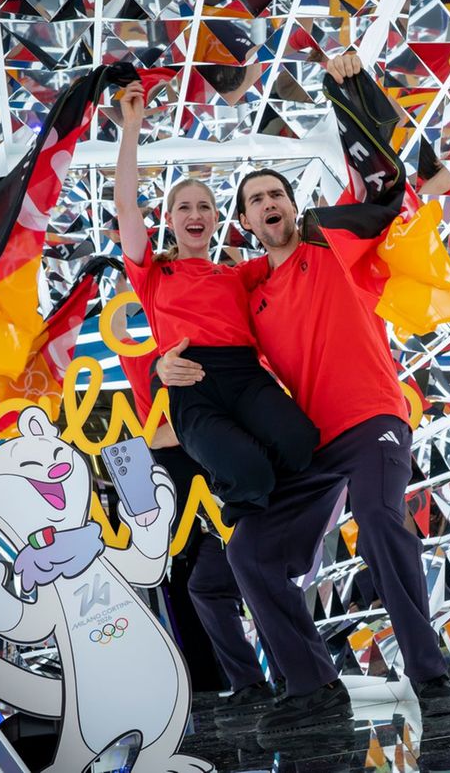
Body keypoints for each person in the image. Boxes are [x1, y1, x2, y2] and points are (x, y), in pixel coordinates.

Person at [157, 52, 450, 740]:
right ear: (245, 223)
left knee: (380, 516)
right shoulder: (246, 289)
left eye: (277, 195)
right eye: (257, 201)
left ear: (293, 206)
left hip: (373, 419)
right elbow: (192, 326)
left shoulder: (328, 239)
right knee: (247, 555)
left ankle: (430, 676)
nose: (270, 205)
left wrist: (350, 87)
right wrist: (160, 371)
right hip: (312, 447)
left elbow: (385, 183)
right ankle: (315, 687)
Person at [112, 79, 319, 524]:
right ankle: (236, 492)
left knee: (301, 443)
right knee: (251, 475)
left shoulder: (238, 275)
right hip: (191, 386)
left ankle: (245, 474)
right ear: (169, 220)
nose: (195, 214)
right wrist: (131, 129)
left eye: (204, 207)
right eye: (184, 207)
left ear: (217, 219)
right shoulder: (152, 274)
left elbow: (291, 248)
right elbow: (127, 209)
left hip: (243, 374)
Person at [107, 289, 283, 721]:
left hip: (231, 499)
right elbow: (141, 439)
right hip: (183, 530)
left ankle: (275, 679)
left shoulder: (222, 351)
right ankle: (252, 682)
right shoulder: (144, 362)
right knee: (203, 589)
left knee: (246, 582)